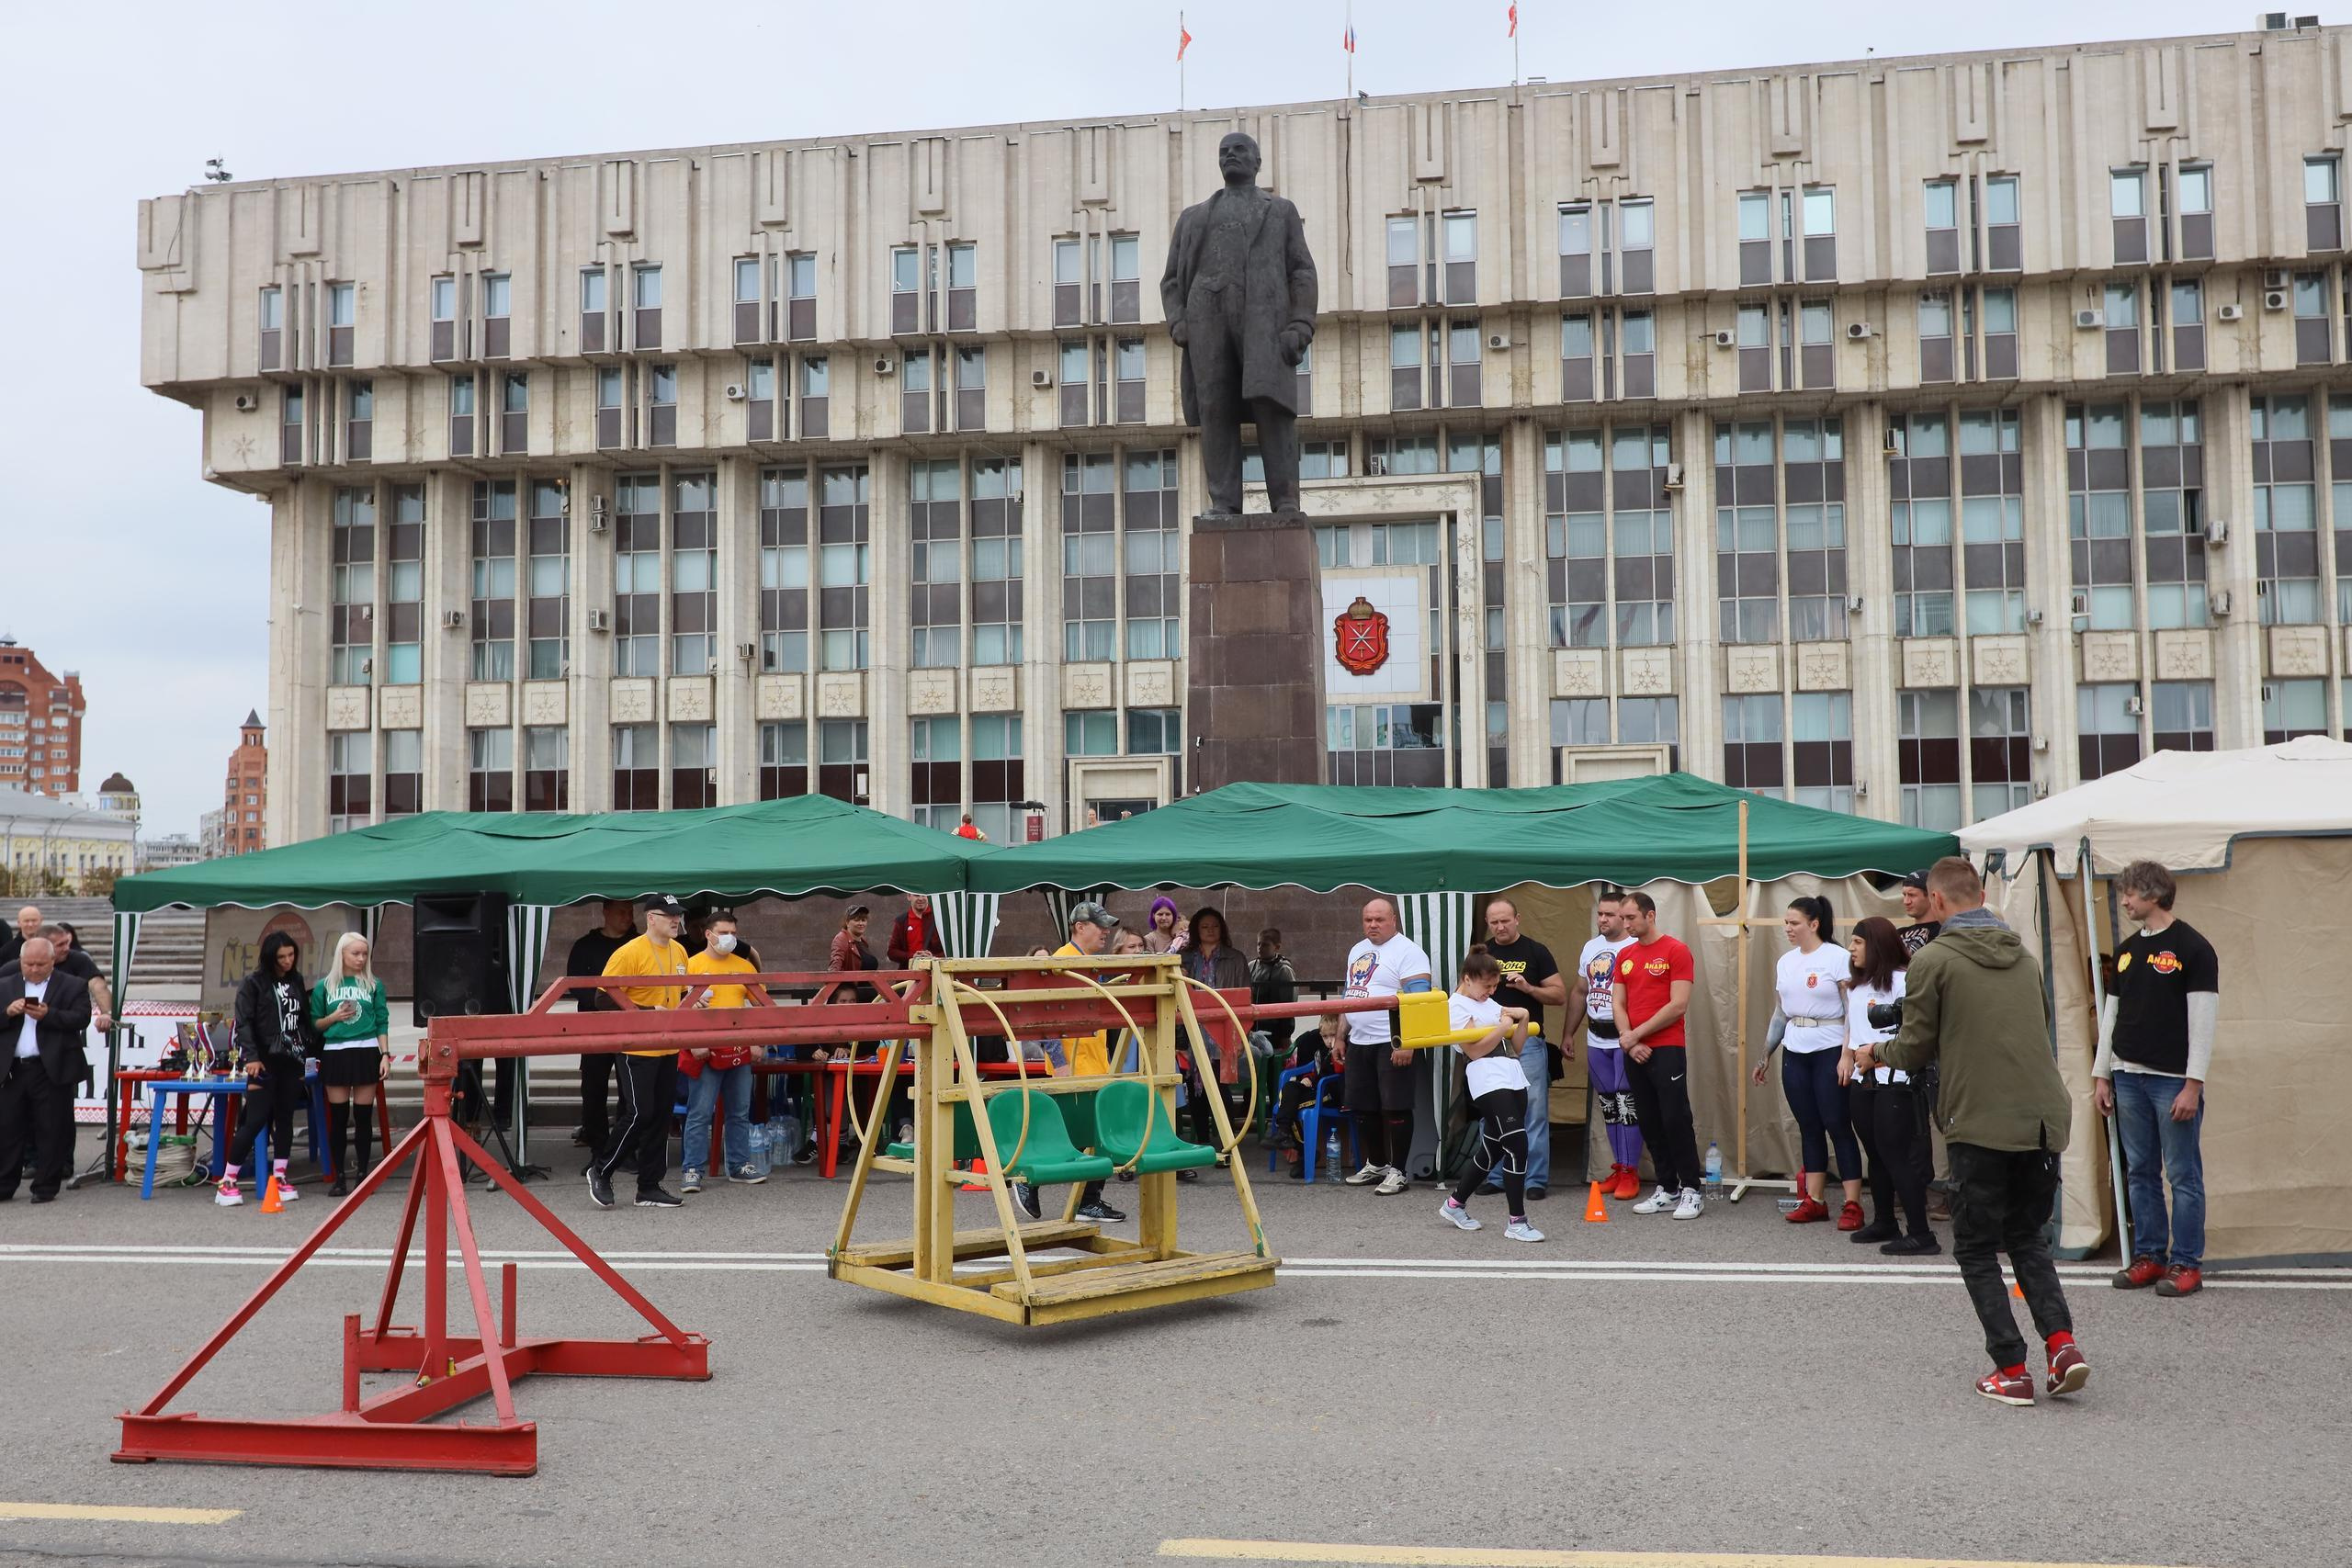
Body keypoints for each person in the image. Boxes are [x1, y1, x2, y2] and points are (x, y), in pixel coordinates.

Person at [1856, 856, 2087, 1407]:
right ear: (1980, 893)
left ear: (1937, 902)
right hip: (2042, 1119)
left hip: (1980, 1120)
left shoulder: (1933, 959)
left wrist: (1871, 1054)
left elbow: (1912, 1047)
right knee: (2028, 1238)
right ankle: (2062, 1345)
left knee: (1978, 1248)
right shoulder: (2024, 957)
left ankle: (2011, 1368)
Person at [2095, 860, 2218, 1300]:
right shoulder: (2126, 950)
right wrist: (2102, 1073)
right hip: (2128, 1076)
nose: (2124, 900)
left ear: (2153, 894)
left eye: (2129, 892)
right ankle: (2150, 1255)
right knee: (2140, 1172)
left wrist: (2194, 1083)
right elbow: (2112, 1016)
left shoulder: (2193, 947)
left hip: (2172, 1080)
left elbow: (2203, 1021)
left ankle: (2187, 1262)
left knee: (2183, 1174)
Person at [1013, 902, 1126, 1224]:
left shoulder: (1089, 962)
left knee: (1090, 1135)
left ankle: (1086, 1198)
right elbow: (1043, 1016)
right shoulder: (1061, 962)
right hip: (1073, 1065)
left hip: (1092, 1062)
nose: (1106, 931)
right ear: (1080, 927)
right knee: (1074, 1135)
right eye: (1099, 925)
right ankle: (1030, 1180)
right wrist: (1059, 1061)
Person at [1754, 896, 1861, 1228]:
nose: (1788, 928)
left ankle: (1852, 1203)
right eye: (1786, 922)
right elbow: (1780, 1012)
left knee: (1837, 1123)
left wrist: (1847, 1054)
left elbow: (1851, 1010)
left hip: (1830, 1047)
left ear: (1814, 924)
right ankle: (1814, 1200)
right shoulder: (1785, 962)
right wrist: (1765, 1054)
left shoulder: (1838, 958)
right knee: (1808, 1125)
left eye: (1794, 922)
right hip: (1796, 1049)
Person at [587, 895, 691, 1211]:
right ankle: (601, 1170)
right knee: (639, 1113)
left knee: (660, 1117)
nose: (675, 920)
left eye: (678, 916)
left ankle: (648, 1186)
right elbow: (601, 999)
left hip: (668, 1045)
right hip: (637, 1047)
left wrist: (692, 1001)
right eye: (669, 915)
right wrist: (646, 1010)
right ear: (651, 918)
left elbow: (682, 991)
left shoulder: (680, 950)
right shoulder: (629, 952)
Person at [1842, 916, 1936, 1255]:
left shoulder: (1903, 981)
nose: (1851, 948)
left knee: (1897, 1156)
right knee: (1876, 1155)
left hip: (1894, 1081)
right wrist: (1847, 1057)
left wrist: (1877, 1059)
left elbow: (1912, 1036)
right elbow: (1854, 1032)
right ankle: (1884, 1220)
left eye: (1858, 942)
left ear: (1877, 945)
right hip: (1862, 1080)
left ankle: (1922, 1233)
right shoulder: (1856, 987)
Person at [1436, 952, 1544, 1243]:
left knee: (1494, 1148)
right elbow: (1475, 1050)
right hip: (1486, 1078)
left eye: (1494, 987)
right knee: (1517, 1144)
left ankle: (1455, 1204)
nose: (1491, 993)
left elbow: (1517, 1046)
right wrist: (1503, 1024)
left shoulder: (1489, 1002)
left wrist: (1523, 1017)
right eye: (1486, 986)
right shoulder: (1455, 1006)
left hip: (1511, 1073)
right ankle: (1517, 1221)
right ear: (1467, 979)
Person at [1611, 892, 1703, 1220]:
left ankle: (1692, 1188)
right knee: (1648, 1118)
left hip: (1666, 1047)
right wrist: (1628, 1039)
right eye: (1622, 918)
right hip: (1633, 1049)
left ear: (1650, 916)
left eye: (1630, 918)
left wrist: (1638, 1034)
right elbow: (1618, 1004)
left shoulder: (1676, 951)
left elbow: (1677, 1004)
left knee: (1675, 1117)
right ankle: (1667, 1187)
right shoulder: (1625, 955)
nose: (1625, 924)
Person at [1340, 896, 1433, 1196]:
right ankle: (1376, 1164)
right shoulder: (1357, 949)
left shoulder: (1410, 952)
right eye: (1368, 919)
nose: (1373, 925)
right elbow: (1351, 993)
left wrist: (1407, 1042)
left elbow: (1419, 1001)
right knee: (1362, 1107)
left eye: (1379, 919)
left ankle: (1399, 1170)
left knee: (1396, 1107)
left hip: (1390, 1041)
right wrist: (1341, 1034)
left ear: (1394, 920)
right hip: (1359, 1040)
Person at [217, 932, 314, 1208]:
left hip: (292, 1060)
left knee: (285, 1118)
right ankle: (227, 1180)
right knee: (256, 1119)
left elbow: (302, 1019)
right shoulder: (254, 983)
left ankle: (280, 1176)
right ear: (270, 957)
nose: (287, 961)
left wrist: (307, 1054)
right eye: (281, 957)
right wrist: (251, 1056)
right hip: (263, 1059)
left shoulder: (296, 980)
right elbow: (244, 1022)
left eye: (291, 955)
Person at [1479, 897, 1566, 1201]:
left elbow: (1559, 995)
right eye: (1494, 922)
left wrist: (1529, 988)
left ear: (1518, 918)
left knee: (1533, 1112)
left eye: (1506, 920)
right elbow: (1464, 991)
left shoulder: (1536, 951)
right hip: (1489, 1040)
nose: (1500, 927)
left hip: (1527, 1040)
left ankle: (1535, 1179)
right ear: (1488, 924)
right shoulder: (1482, 953)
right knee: (1493, 1110)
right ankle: (1494, 1175)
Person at [0, 937, 93, 1203]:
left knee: (51, 1128)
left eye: (41, 964)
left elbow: (82, 1018)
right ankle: (5, 1184)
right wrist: (7, 1012)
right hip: (12, 1069)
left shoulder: (73, 985)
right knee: (8, 1129)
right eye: (29, 964)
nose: (35, 968)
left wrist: (49, 1015)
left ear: (53, 961)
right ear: (20, 962)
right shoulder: (5, 984)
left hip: (51, 1068)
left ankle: (45, 1185)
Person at [680, 911, 765, 1193]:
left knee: (739, 1111)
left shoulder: (745, 967)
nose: (729, 938)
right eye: (724, 932)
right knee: (700, 1112)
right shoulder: (690, 966)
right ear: (709, 934)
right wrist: (693, 1042)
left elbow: (760, 1009)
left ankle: (739, 1165)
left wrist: (757, 1042)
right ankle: (692, 1168)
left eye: (733, 933)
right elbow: (678, 1009)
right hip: (703, 1049)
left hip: (740, 1049)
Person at [1572, 890, 1643, 1200]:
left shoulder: (1634, 947)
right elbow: (1579, 992)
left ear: (1625, 918)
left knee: (1627, 1105)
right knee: (1609, 1106)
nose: (1603, 919)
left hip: (1624, 1037)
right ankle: (1619, 1166)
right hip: (1595, 1036)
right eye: (1600, 914)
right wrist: (1567, 1033)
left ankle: (1631, 1170)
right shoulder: (1591, 947)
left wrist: (1636, 1036)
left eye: (1610, 915)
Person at [310, 932, 390, 1197]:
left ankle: (363, 1174)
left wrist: (385, 1054)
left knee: (364, 1117)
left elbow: (381, 1020)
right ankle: (339, 1176)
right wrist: (334, 1016)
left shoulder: (373, 984)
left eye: (364, 954)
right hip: (336, 1052)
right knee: (339, 1117)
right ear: (342, 954)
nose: (361, 958)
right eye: (355, 953)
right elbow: (315, 1024)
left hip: (366, 1050)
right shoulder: (325, 986)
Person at [565, 900, 638, 1151]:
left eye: (630, 912)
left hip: (630, 1026)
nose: (627, 917)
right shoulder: (586, 946)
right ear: (605, 912)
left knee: (630, 1092)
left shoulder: (638, 945)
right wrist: (601, 1004)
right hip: (594, 1026)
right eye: (621, 912)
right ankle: (597, 1148)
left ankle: (624, 1149)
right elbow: (575, 983)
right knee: (593, 1089)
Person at [1181, 908, 1251, 1148]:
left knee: (1221, 1088)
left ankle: (1226, 1144)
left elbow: (1245, 997)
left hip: (1224, 1028)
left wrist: (1241, 1035)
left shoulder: (1236, 958)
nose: (1210, 930)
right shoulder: (1185, 957)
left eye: (1215, 926)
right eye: (1204, 926)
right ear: (1196, 930)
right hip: (1193, 1029)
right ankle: (1201, 1143)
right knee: (1195, 1087)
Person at [1272, 1015, 1342, 1178]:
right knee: (1290, 1088)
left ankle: (1299, 1149)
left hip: (1331, 1093)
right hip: (1317, 1088)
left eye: (1333, 1036)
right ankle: (1285, 1135)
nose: (1329, 1040)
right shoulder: (1320, 1051)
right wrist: (1308, 1078)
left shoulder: (1342, 1050)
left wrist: (1335, 1053)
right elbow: (1317, 1072)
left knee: (1291, 1107)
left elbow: (1338, 1073)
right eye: (1325, 1036)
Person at [886, 894, 942, 969]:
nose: (921, 899)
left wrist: (933, 957)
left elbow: (952, 950)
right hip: (909, 975)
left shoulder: (940, 919)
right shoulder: (901, 921)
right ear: (909, 897)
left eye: (924, 895)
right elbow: (892, 952)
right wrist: (913, 956)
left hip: (936, 974)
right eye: (917, 895)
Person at [1895, 872, 1940, 957]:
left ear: (1931, 896)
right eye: (1904, 895)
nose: (1906, 901)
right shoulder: (1899, 932)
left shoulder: (1943, 932)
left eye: (1912, 895)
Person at [0, 905, 40, 971]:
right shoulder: (6, 951)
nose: (30, 924)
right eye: (26, 921)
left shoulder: (50, 945)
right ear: (19, 923)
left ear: (41, 921)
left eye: (34, 920)